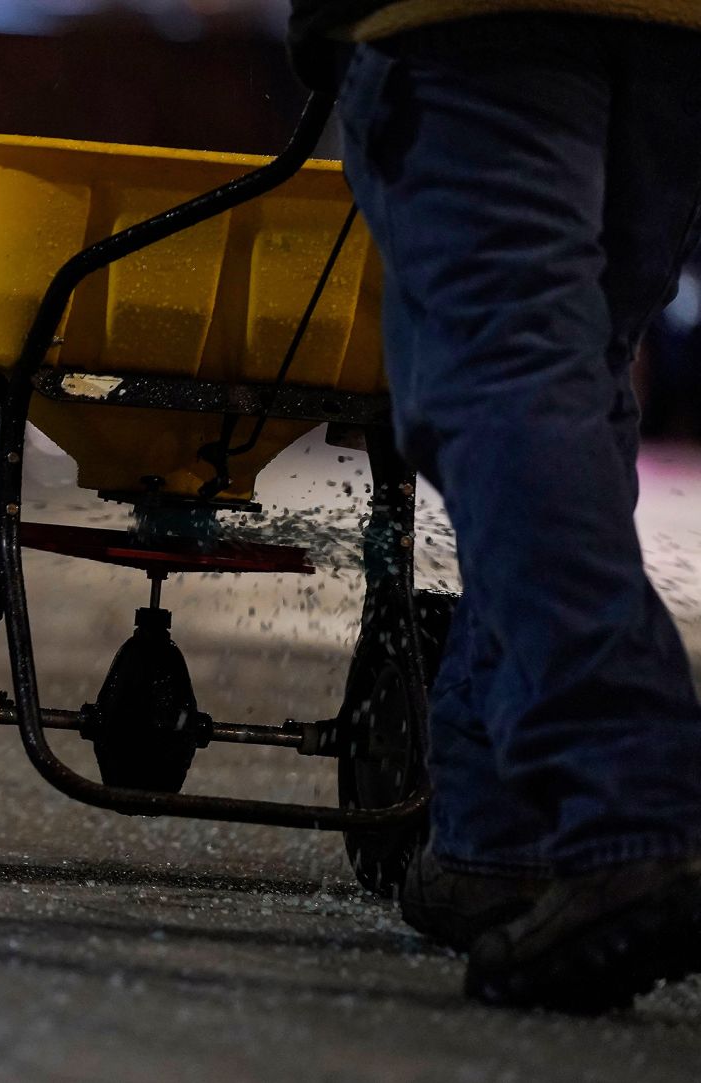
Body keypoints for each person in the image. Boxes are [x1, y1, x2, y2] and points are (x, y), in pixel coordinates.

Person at [287, 2, 701, 1013]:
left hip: (476, 13)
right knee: (572, 371)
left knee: (508, 374)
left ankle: (628, 804)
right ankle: (497, 837)